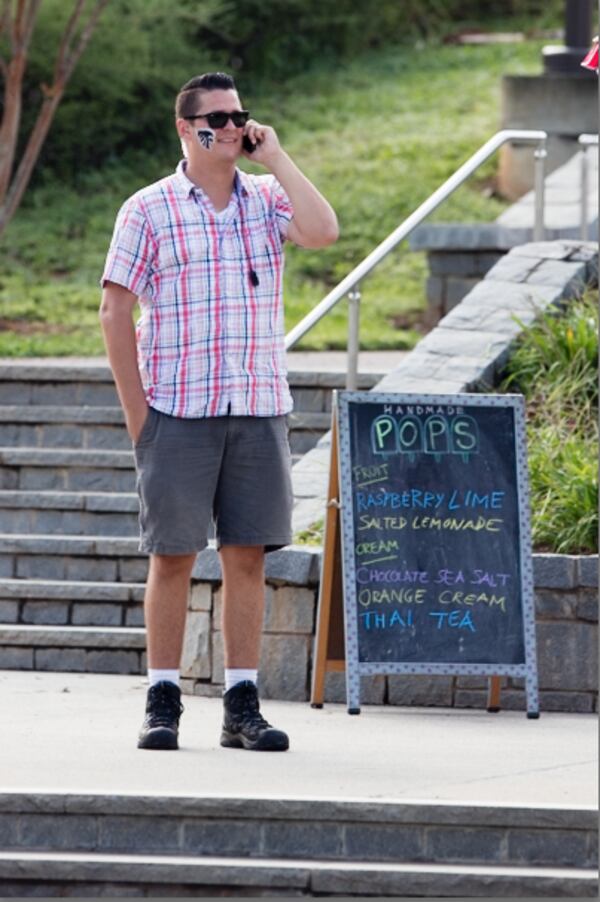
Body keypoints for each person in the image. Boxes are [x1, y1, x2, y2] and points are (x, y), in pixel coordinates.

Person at [99, 72, 338, 752]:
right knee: (172, 557)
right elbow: (115, 308)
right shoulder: (149, 208)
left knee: (248, 560)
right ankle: (163, 698)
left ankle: (241, 702)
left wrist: (278, 157)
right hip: (176, 409)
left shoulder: (266, 200)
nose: (232, 127)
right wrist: (137, 413)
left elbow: (324, 232)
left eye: (240, 116)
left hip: (257, 406)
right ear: (186, 128)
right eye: (218, 119)